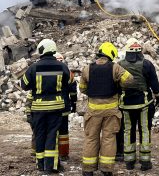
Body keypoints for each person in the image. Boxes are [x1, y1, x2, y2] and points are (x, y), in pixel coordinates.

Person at [79, 42, 133, 176]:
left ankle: (88, 170)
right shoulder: (115, 67)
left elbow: (82, 88)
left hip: (93, 111)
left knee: (91, 138)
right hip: (111, 111)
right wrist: (118, 84)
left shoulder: (87, 69)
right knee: (109, 138)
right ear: (111, 54)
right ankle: (106, 169)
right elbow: (129, 80)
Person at [20, 39, 70, 174]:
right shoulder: (62, 66)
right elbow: (69, 82)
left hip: (38, 108)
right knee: (52, 135)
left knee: (40, 134)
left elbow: (24, 85)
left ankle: (40, 165)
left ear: (42, 50)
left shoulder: (34, 67)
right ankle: (50, 166)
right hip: (56, 107)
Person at [118, 38, 159, 171]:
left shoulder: (119, 65)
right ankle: (145, 162)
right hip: (144, 104)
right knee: (144, 130)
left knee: (128, 130)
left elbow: (115, 85)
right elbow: (154, 84)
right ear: (140, 51)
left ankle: (129, 161)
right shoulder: (147, 64)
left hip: (126, 105)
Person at [54, 52, 78, 161]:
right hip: (63, 107)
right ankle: (63, 154)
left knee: (51, 131)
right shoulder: (68, 72)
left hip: (51, 108)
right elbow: (73, 90)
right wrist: (73, 103)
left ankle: (51, 153)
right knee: (63, 132)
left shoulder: (47, 72)